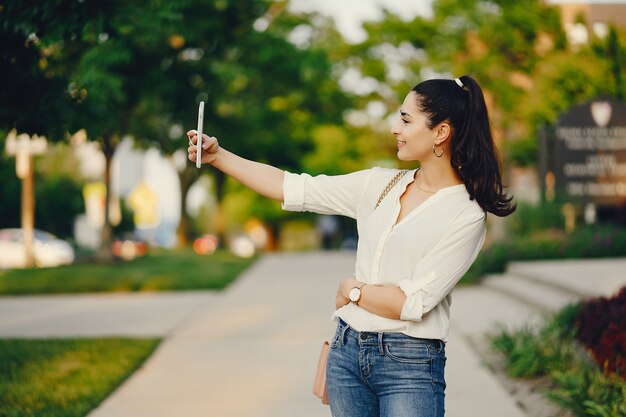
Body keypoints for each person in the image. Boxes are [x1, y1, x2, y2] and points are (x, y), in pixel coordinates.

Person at [187, 74, 515, 417]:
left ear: (440, 133)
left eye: (405, 119)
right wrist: (219, 157)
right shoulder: (380, 184)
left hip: (410, 365)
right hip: (347, 353)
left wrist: (353, 291)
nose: (395, 128)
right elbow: (295, 188)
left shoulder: (466, 213)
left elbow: (413, 303)